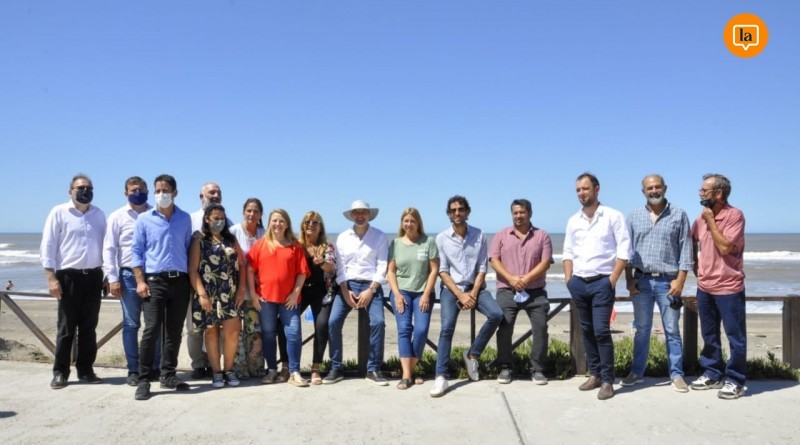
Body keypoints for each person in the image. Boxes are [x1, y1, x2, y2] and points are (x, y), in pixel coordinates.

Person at [563, 172, 630, 401]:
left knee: (601, 330)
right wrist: (569, 280)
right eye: (578, 190)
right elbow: (568, 252)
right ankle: (595, 374)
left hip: (602, 281)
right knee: (587, 331)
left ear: (596, 189)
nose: (581, 193)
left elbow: (624, 250)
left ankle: (608, 379)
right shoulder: (574, 220)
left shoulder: (613, 216)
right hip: (579, 283)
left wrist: (612, 279)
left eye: (585, 188)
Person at [622, 174, 693, 392]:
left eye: (657, 187)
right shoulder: (634, 216)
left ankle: (677, 375)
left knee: (672, 330)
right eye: (649, 188)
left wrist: (680, 281)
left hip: (668, 283)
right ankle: (636, 372)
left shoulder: (679, 215)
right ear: (643, 191)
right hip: (641, 281)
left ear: (665, 188)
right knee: (642, 330)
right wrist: (629, 279)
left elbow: (686, 249)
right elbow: (626, 251)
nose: (654, 191)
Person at [430, 195, 503, 398]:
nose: (457, 213)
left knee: (497, 314)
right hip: (451, 290)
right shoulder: (442, 238)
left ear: (467, 212)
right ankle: (440, 377)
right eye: (453, 210)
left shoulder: (479, 235)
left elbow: (482, 268)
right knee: (446, 327)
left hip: (475, 288)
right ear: (448, 214)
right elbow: (443, 271)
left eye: (460, 209)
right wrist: (460, 295)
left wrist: (472, 293)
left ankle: (472, 355)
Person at [40, 173, 106, 389]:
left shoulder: (99, 215)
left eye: (89, 188)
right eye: (81, 188)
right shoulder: (59, 212)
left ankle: (86, 370)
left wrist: (107, 274)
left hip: (94, 276)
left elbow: (105, 247)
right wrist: (51, 277)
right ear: (71, 191)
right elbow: (48, 246)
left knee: (89, 327)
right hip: (69, 277)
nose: (85, 191)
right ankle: (60, 372)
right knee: (66, 328)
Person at [131, 174, 193, 400]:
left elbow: (188, 248)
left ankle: (168, 375)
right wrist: (140, 281)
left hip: (180, 281)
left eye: (165, 190)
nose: (161, 194)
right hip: (154, 281)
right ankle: (144, 379)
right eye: (157, 190)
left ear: (175, 192)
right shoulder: (144, 219)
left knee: (174, 331)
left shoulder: (185, 218)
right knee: (151, 329)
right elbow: (136, 251)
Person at [690, 173, 747, 399]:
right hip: (705, 287)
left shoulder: (735, 216)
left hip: (729, 288)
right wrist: (695, 266)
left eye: (704, 191)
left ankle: (735, 380)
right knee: (709, 335)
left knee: (735, 337)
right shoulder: (700, 218)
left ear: (719, 193)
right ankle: (713, 373)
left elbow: (724, 247)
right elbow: (691, 241)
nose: (701, 194)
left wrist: (711, 221)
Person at [103, 176, 160, 386]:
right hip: (127, 276)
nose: (138, 193)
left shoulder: (156, 213)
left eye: (142, 189)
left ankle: (154, 367)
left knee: (155, 324)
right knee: (131, 324)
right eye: (134, 190)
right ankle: (134, 369)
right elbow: (109, 249)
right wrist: (112, 278)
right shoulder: (117, 216)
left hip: (153, 275)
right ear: (126, 193)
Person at [325, 200, 389, 386]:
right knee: (333, 322)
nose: (360, 216)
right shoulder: (343, 237)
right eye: (356, 212)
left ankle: (373, 369)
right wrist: (345, 291)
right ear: (351, 215)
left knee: (378, 322)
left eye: (364, 212)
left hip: (371, 285)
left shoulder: (380, 236)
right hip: (348, 285)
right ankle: (336, 368)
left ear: (369, 214)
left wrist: (371, 290)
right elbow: (340, 267)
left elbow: (382, 265)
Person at [489, 198, 553, 385]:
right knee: (505, 329)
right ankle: (505, 367)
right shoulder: (501, 235)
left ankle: (537, 369)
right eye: (515, 213)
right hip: (507, 291)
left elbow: (545, 262)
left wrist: (526, 279)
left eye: (522, 212)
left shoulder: (542, 236)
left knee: (541, 328)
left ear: (530, 213)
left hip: (536, 292)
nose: (518, 216)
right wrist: (511, 278)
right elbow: (494, 260)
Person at [247, 209, 310, 387]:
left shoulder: (295, 247)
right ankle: (272, 370)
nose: (277, 224)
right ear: (269, 223)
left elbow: (302, 273)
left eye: (281, 221)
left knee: (293, 334)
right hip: (265, 299)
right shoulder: (261, 244)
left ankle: (294, 371)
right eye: (274, 220)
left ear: (287, 224)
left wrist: (295, 293)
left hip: (289, 300)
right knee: (268, 334)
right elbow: (250, 270)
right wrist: (253, 294)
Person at [188, 203, 246, 389]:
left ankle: (229, 370)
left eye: (222, 218)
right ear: (207, 219)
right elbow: (192, 269)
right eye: (215, 218)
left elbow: (242, 265)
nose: (219, 221)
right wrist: (202, 294)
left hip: (230, 293)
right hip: (208, 294)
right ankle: (216, 372)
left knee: (232, 332)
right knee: (211, 332)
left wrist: (241, 289)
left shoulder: (231, 239)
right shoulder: (199, 240)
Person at [387, 208, 438, 390]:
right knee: (404, 329)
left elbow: (434, 270)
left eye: (412, 221)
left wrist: (426, 294)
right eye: (406, 221)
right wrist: (397, 294)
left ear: (418, 223)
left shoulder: (428, 242)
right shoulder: (395, 244)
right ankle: (407, 376)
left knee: (421, 330)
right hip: (401, 292)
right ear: (402, 223)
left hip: (423, 293)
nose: (409, 224)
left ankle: (411, 369)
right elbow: (390, 272)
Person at [187, 182, 232, 379]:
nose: (215, 195)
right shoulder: (189, 219)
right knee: (195, 328)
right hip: (195, 282)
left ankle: (215, 366)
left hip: (220, 285)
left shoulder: (227, 220)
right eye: (211, 192)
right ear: (201, 196)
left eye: (218, 192)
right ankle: (198, 364)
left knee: (217, 327)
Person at [295, 210, 338, 385]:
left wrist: (321, 262)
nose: (311, 225)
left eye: (315, 222)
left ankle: (315, 368)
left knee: (322, 326)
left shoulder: (327, 246)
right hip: (299, 292)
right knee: (284, 325)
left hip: (322, 292)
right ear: (302, 226)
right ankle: (289, 367)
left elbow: (331, 267)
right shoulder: (296, 245)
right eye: (307, 222)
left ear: (321, 227)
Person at [229, 198, 266, 380]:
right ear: (243, 212)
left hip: (257, 291)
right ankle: (239, 368)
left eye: (256, 211)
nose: (252, 214)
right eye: (249, 210)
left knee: (254, 329)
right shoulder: (233, 231)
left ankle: (256, 367)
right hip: (235, 289)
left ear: (261, 214)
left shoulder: (264, 233)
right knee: (235, 330)